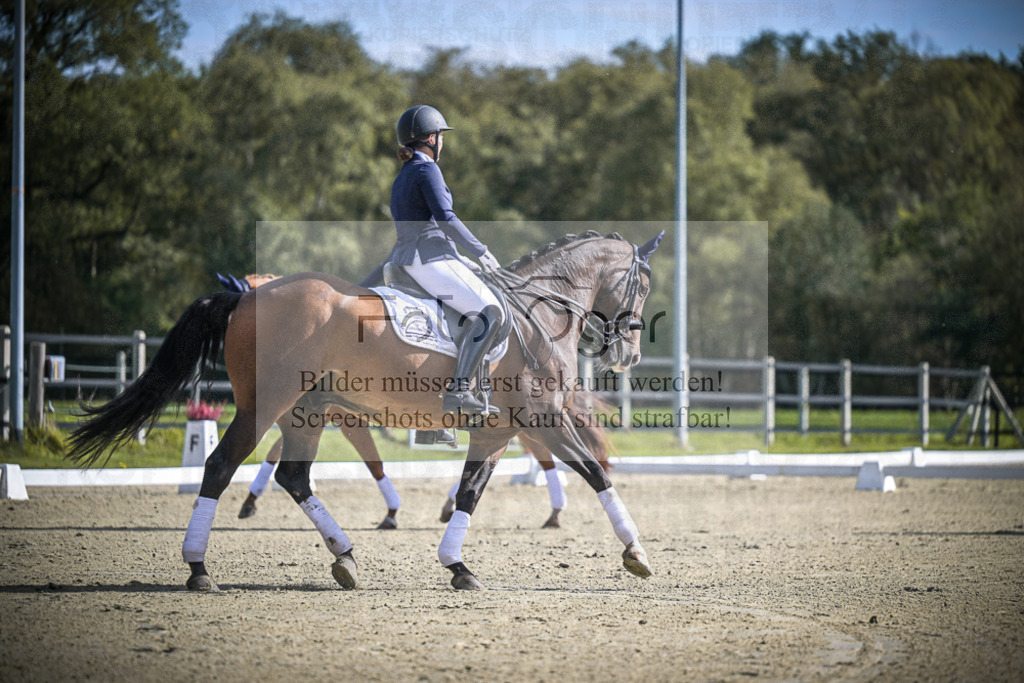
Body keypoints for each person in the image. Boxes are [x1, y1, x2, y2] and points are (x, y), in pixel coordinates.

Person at [388, 104, 504, 417]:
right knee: (491, 313)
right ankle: (460, 391)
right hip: (427, 259)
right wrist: (479, 250)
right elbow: (445, 219)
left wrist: (460, 260)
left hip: (410, 259)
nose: (444, 142)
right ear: (430, 138)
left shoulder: (405, 174)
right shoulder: (428, 169)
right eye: (441, 135)